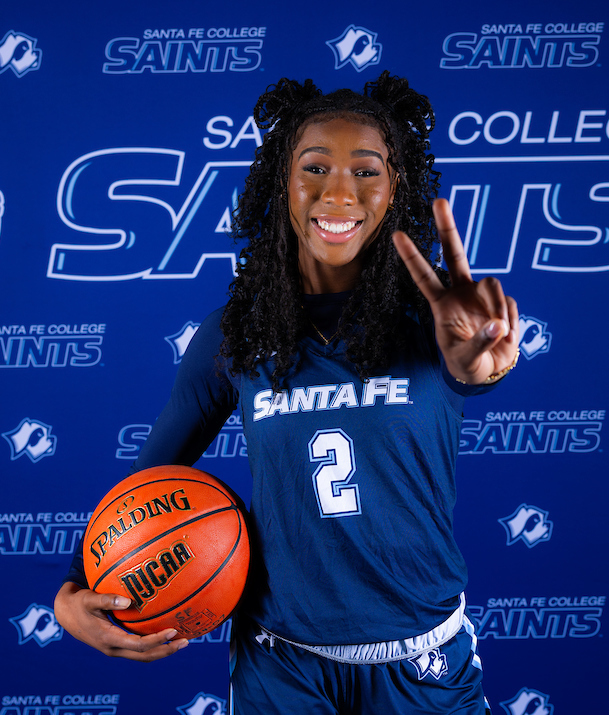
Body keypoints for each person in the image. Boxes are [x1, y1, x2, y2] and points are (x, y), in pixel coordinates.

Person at [55, 71, 519, 714]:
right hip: (281, 663)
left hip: (422, 658)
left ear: (396, 187)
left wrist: (482, 364)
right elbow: (144, 487)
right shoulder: (236, 332)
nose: (338, 193)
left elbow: (474, 367)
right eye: (315, 168)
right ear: (282, 180)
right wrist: (72, 591)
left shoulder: (433, 319)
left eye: (366, 172)